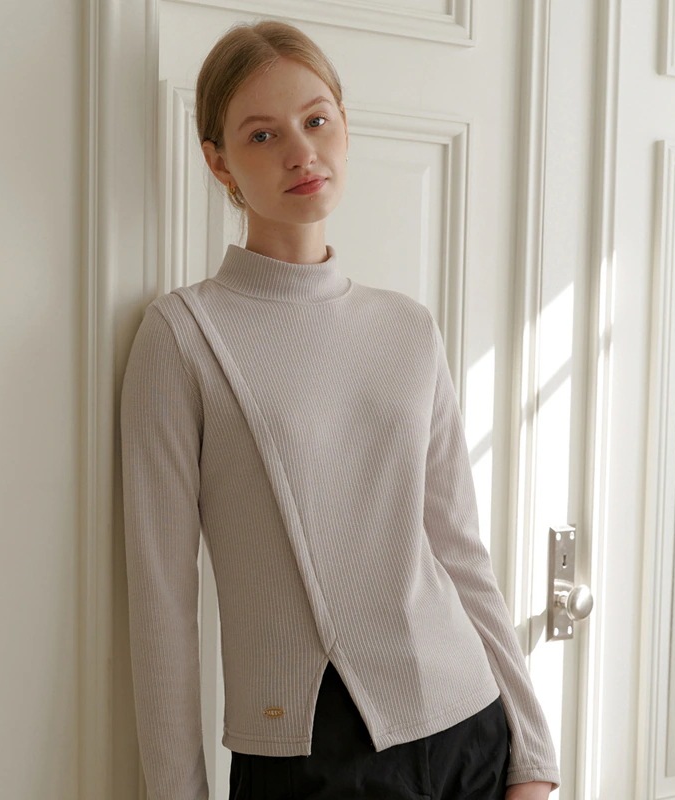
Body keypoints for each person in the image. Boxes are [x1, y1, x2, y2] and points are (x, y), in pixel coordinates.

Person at [120, 19, 561, 800]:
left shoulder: (407, 327)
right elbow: (161, 601)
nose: (301, 152)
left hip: (470, 728)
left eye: (317, 120)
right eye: (263, 135)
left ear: (345, 128)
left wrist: (534, 756)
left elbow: (460, 552)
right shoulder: (185, 333)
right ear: (218, 161)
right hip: (308, 755)